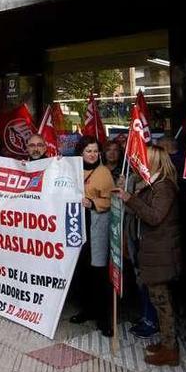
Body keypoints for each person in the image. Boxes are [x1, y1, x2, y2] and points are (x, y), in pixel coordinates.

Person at [118, 145, 181, 365]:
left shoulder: (164, 187)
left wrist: (130, 199)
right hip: (153, 251)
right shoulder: (152, 183)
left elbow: (154, 217)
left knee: (162, 302)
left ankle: (170, 349)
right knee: (158, 299)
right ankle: (166, 343)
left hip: (160, 253)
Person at [69, 136, 115, 336]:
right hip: (76, 227)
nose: (92, 154)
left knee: (99, 273)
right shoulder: (72, 170)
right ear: (81, 152)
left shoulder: (104, 172)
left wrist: (93, 203)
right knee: (83, 272)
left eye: (95, 151)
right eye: (88, 151)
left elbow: (112, 200)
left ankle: (104, 318)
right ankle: (86, 310)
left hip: (95, 226)